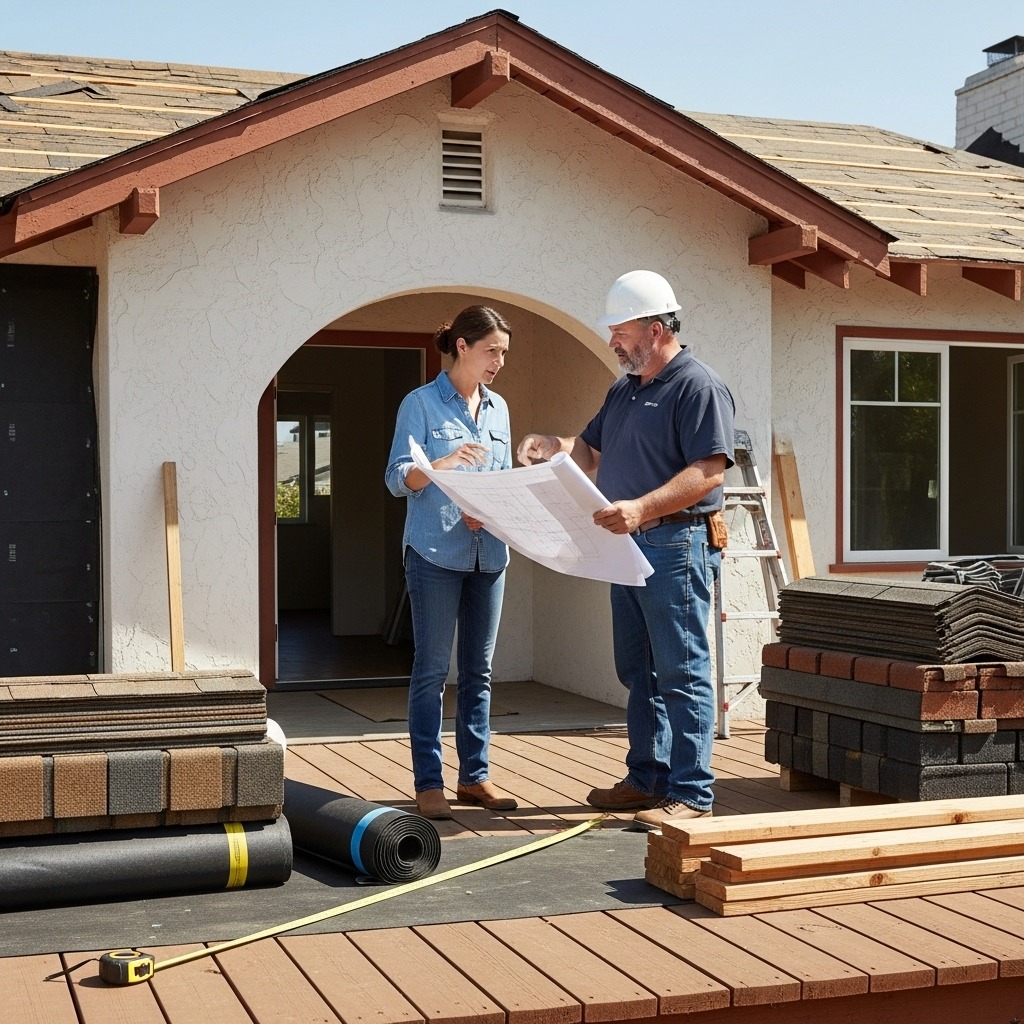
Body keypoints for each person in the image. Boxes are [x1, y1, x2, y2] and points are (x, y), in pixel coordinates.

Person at [516, 270, 734, 831]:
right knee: (636, 668)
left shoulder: (697, 386)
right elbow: (587, 449)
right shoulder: (626, 389)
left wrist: (642, 507)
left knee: (681, 669)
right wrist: (551, 446)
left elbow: (708, 472)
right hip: (632, 545)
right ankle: (647, 779)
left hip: (677, 541)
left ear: (657, 328)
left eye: (621, 332)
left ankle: (691, 793)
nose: (613, 342)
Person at [385, 305, 519, 820]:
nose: (499, 362)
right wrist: (436, 469)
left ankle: (475, 776)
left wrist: (494, 508)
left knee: (479, 672)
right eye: (492, 351)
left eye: (504, 353)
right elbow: (397, 478)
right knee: (432, 671)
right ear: (462, 346)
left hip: (490, 555)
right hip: (434, 553)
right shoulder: (419, 404)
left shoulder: (499, 409)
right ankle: (428, 782)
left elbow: (501, 476)